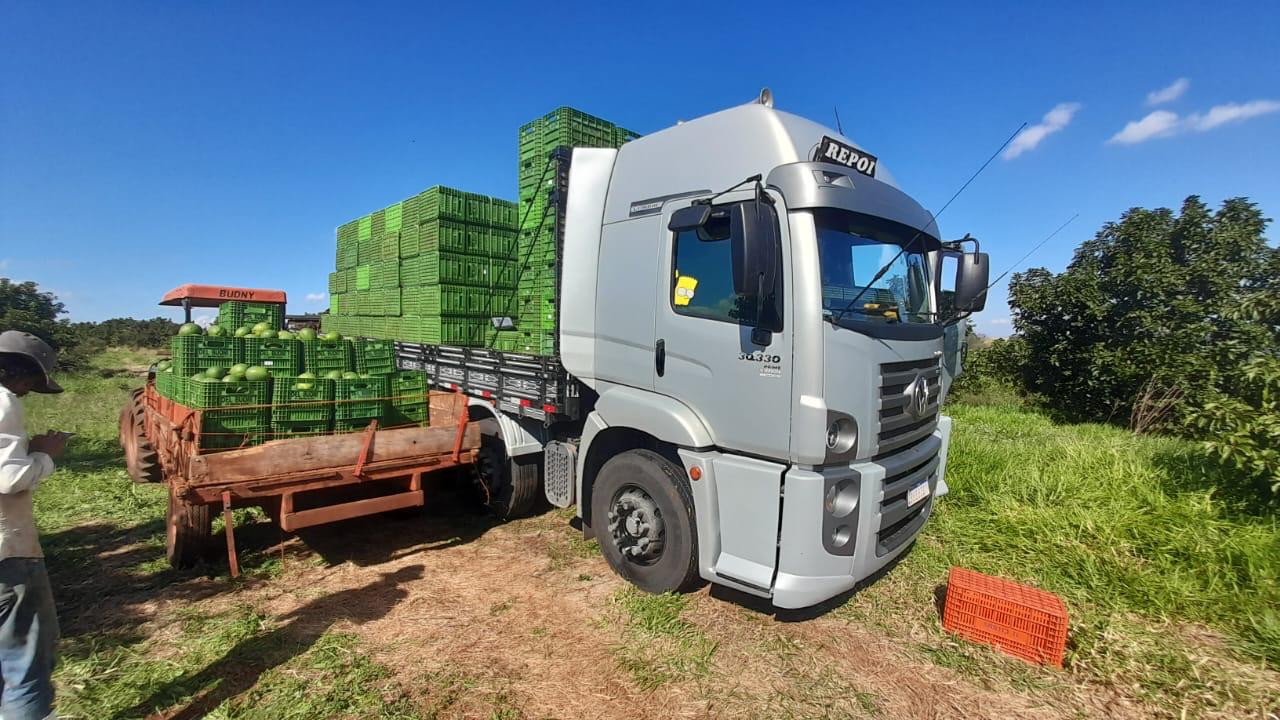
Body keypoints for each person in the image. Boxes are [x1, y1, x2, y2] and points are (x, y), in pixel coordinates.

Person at [0, 331, 67, 720]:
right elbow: (8, 480)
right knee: (27, 665)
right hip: (7, 555)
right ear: (21, 373)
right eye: (30, 383)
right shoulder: (4, 401)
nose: (27, 392)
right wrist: (45, 456)